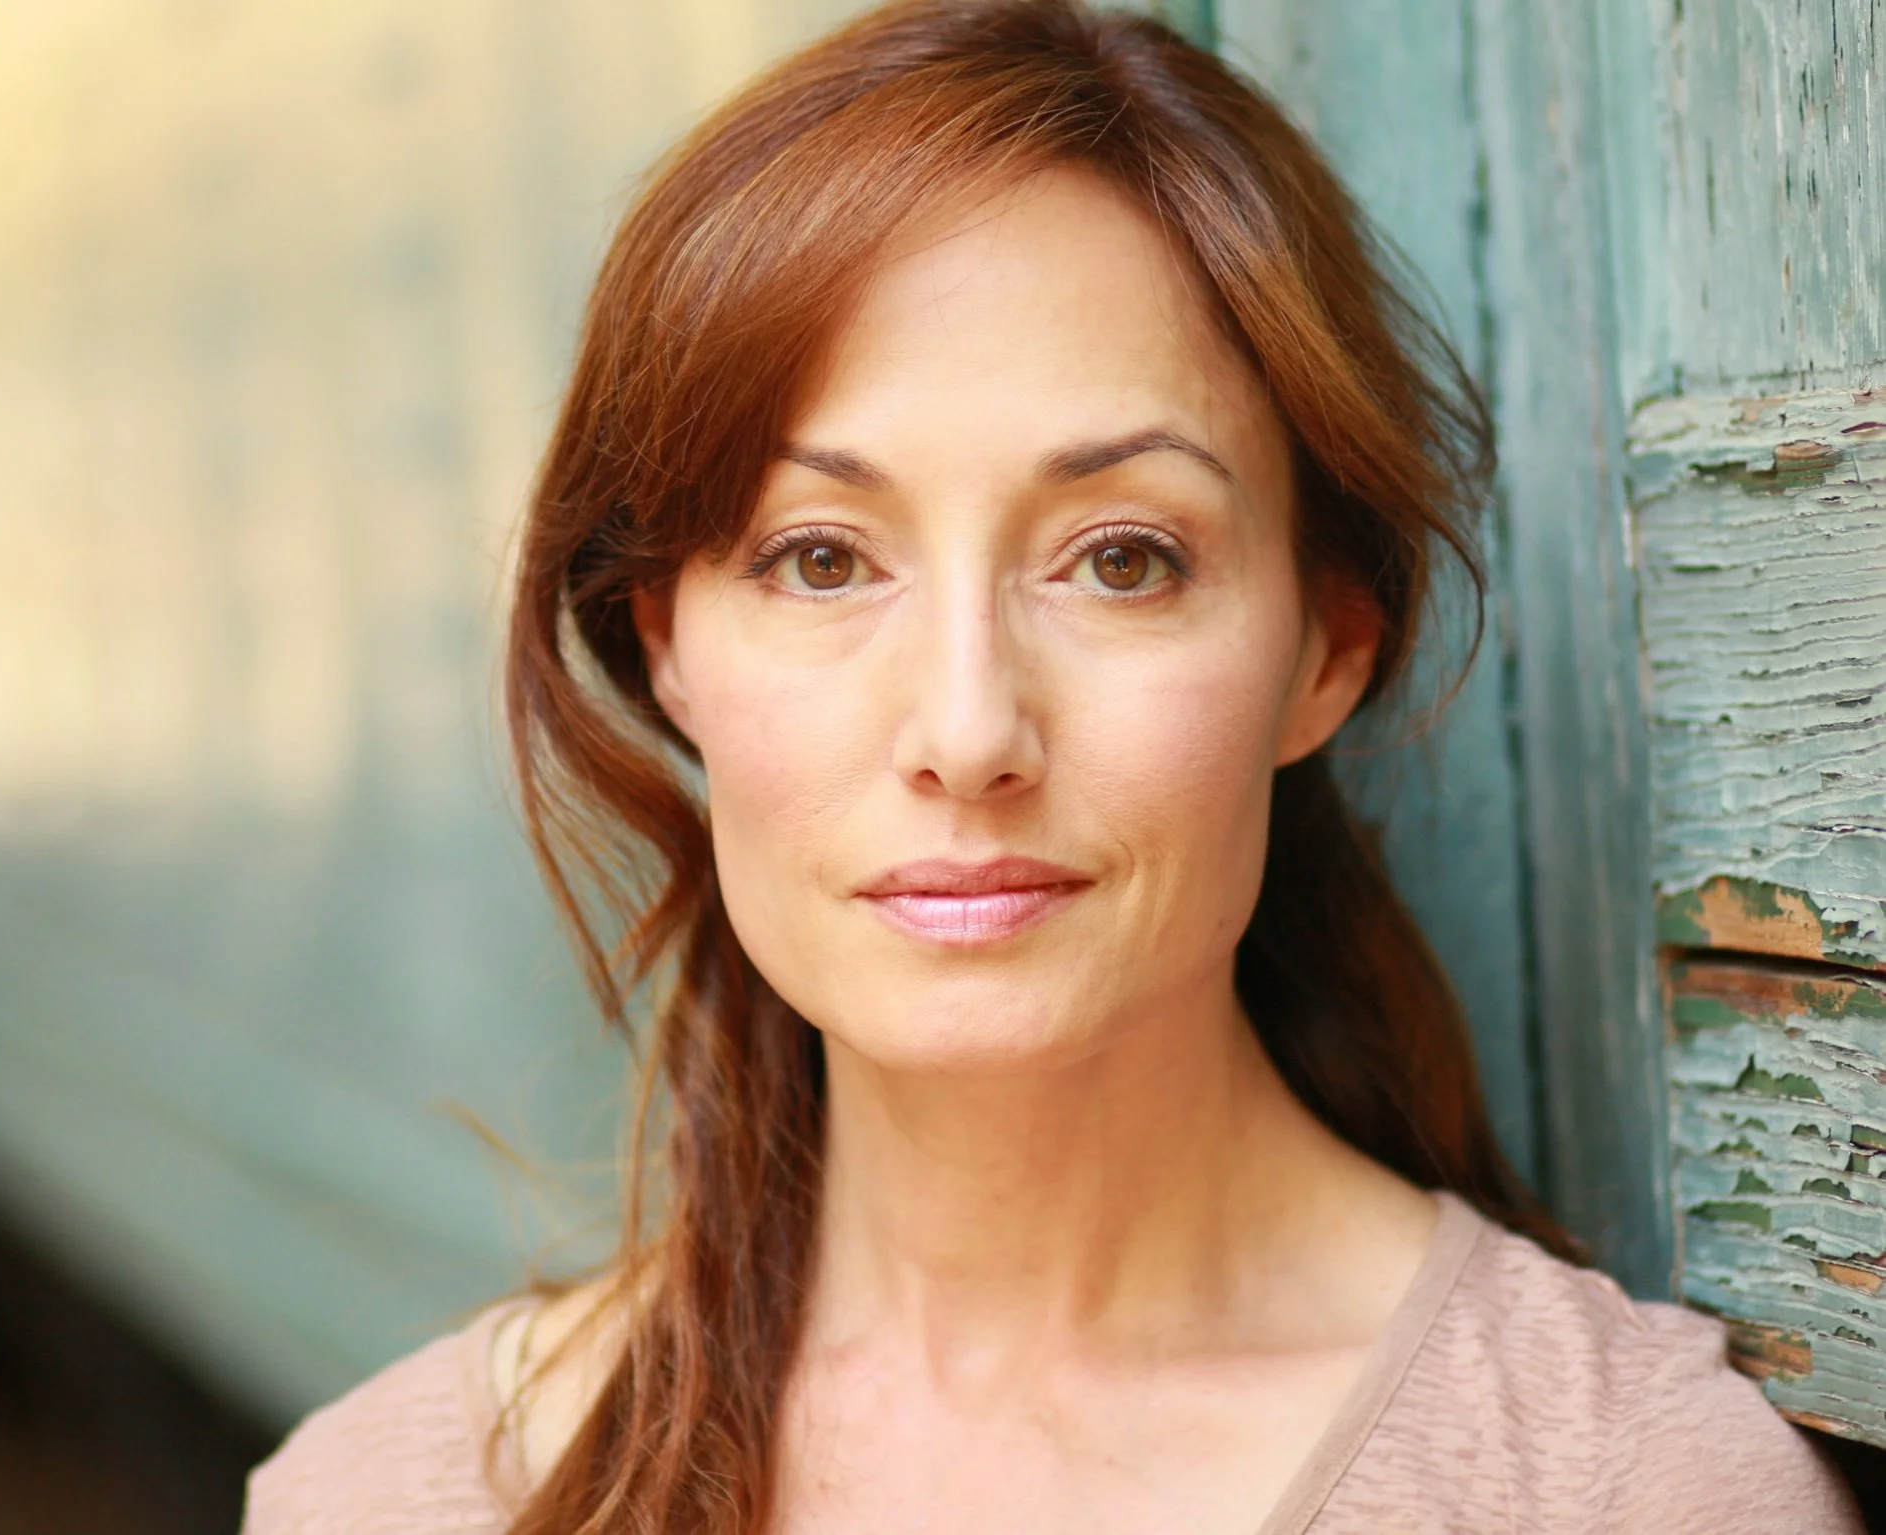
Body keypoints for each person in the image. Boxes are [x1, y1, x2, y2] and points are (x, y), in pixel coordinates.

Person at [244, 2, 1859, 1529]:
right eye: (822, 559)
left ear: (1326, 648)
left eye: (1121, 559)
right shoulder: (396, 1497)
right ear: (667, 645)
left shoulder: (1622, 1490)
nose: (967, 733)